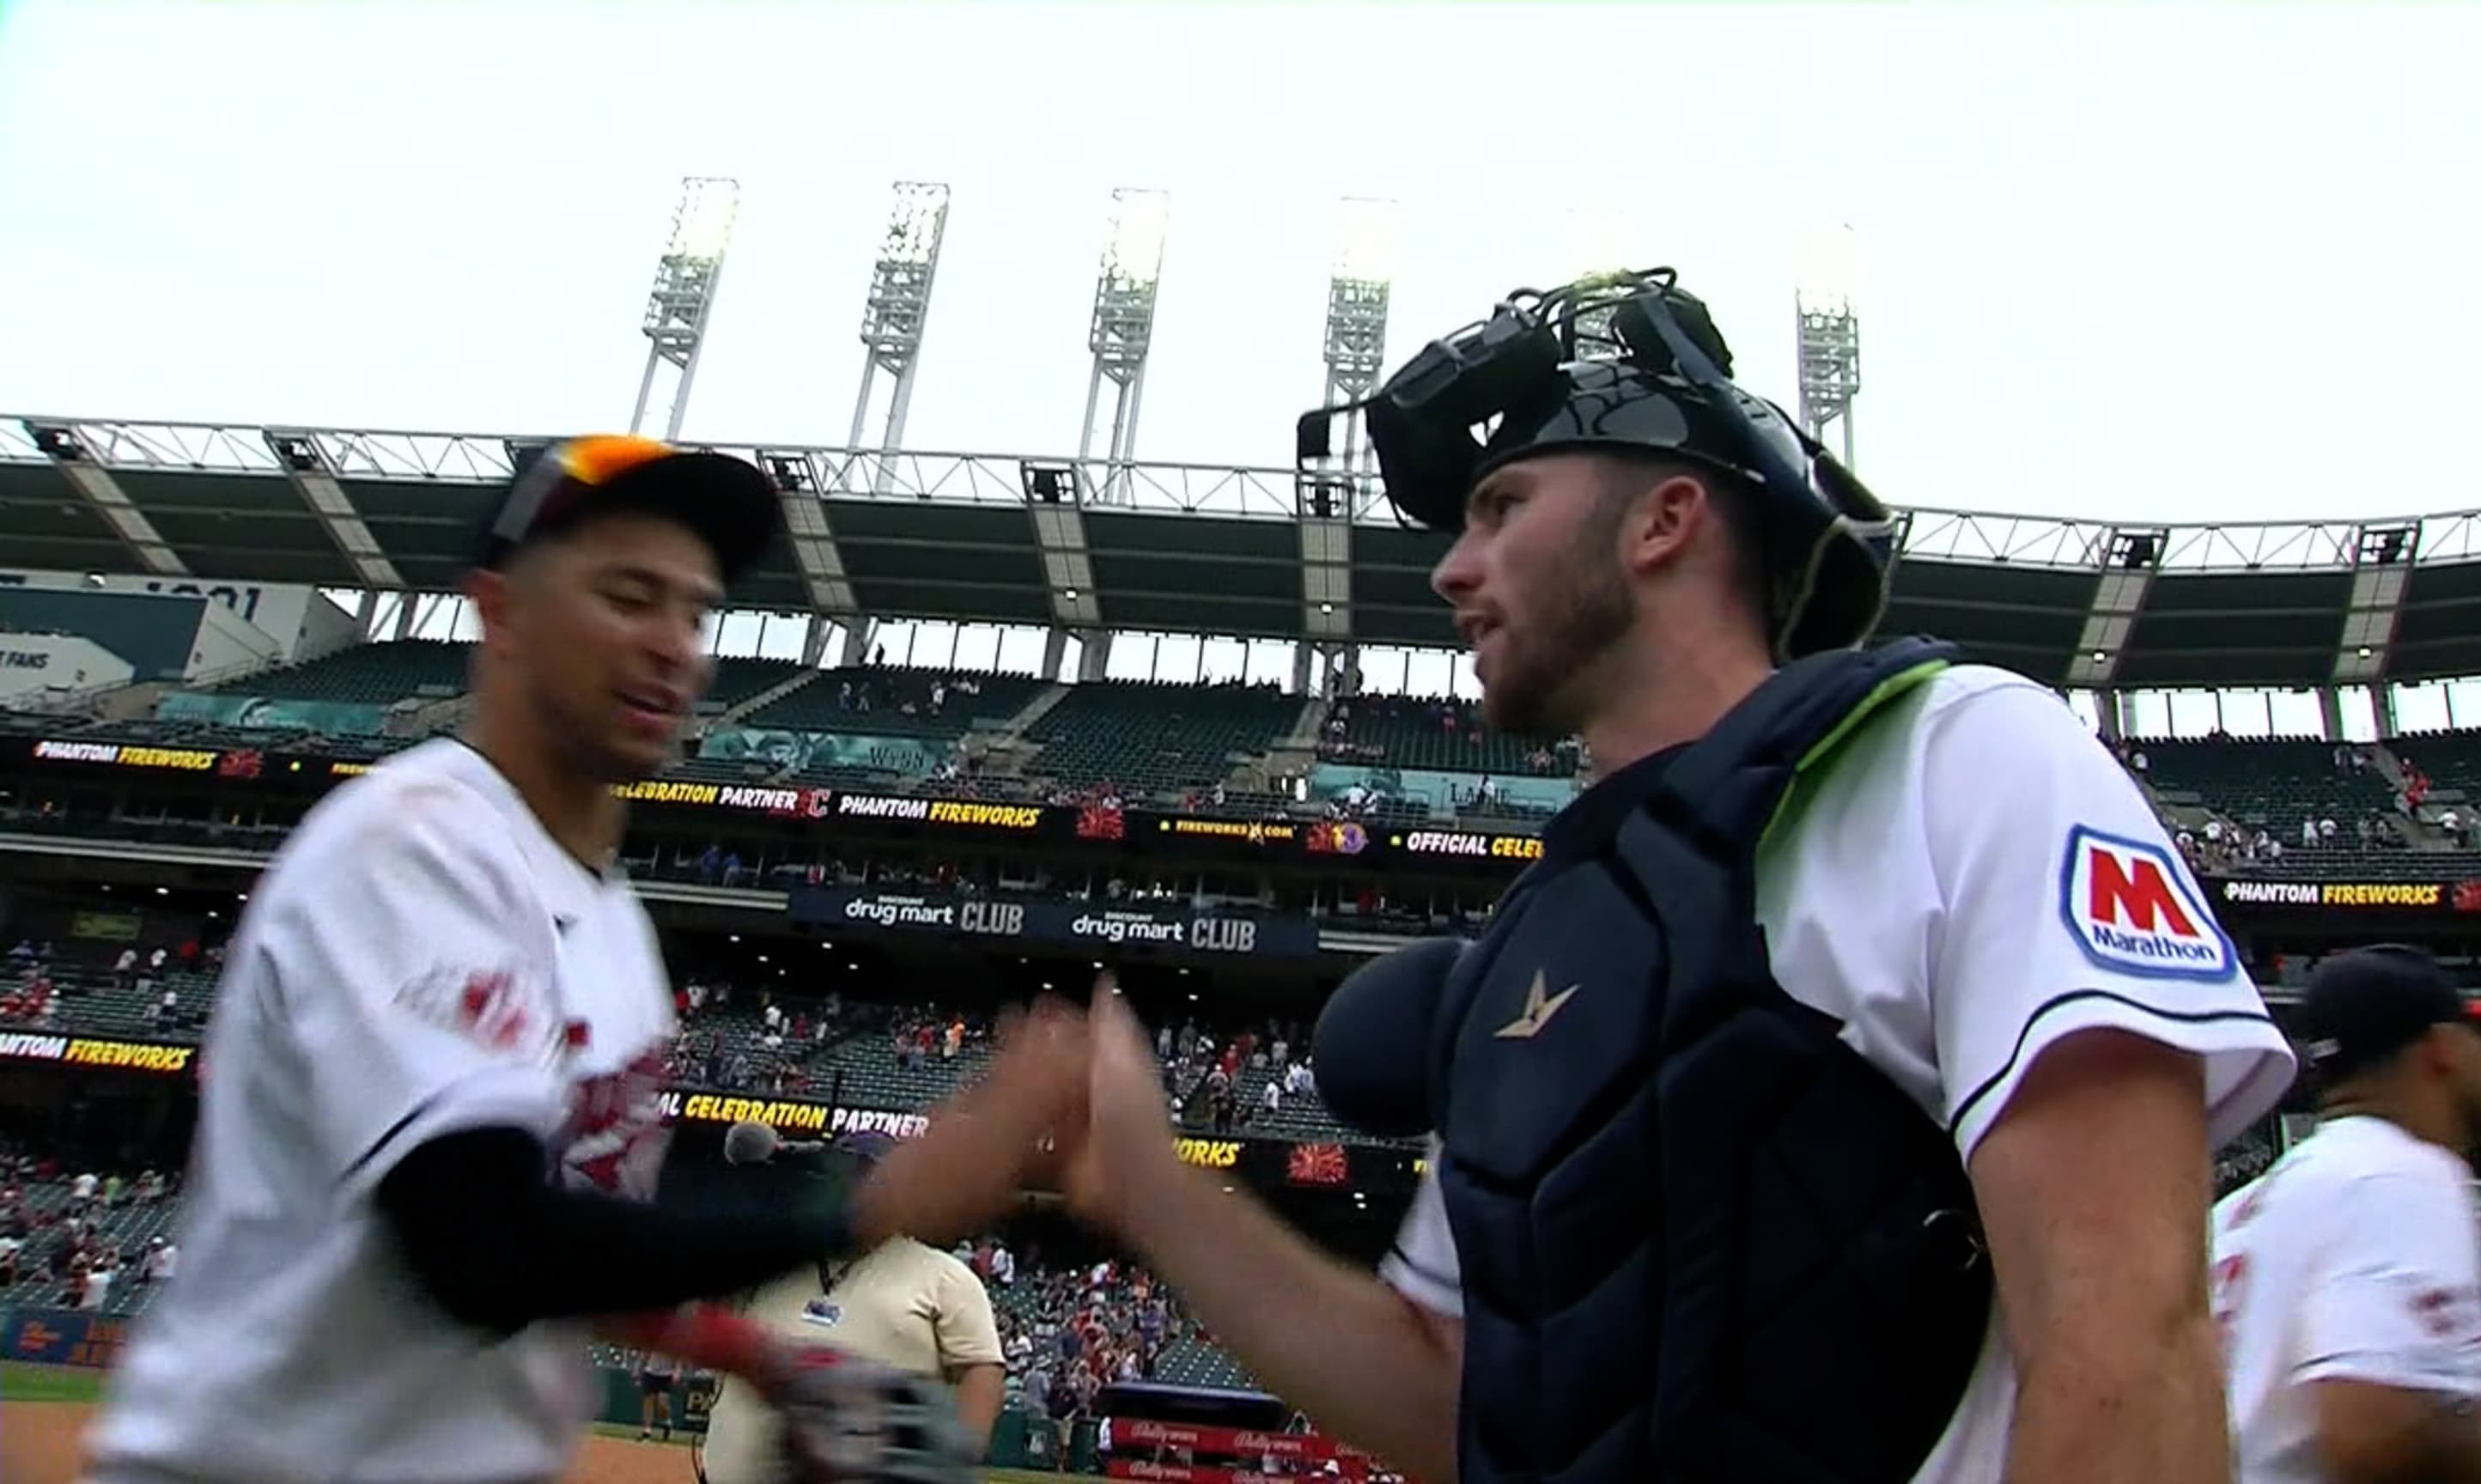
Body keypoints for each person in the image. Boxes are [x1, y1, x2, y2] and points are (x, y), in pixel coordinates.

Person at [1050, 271, 2296, 1484]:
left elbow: (2125, 1355)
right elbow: (1460, 1399)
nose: (1452, 570)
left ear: (1664, 520)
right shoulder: (1540, 943)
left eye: (1503, 506)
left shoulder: (1957, 757)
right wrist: (1154, 1191)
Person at [85, 435, 1081, 1484]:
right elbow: (482, 1249)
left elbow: (574, 1250)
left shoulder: (611, 925)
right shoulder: (417, 839)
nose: (674, 644)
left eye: (696, 612)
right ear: (500, 610)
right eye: (627, 595)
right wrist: (878, 1204)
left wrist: (760, 1356)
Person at [2212, 946, 2481, 1482]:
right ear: (2441, 1049)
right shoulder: (2398, 1173)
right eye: (2477, 1035)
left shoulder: (2247, 1205)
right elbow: (2374, 1430)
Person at [702, 1131, 1006, 1483]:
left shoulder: (944, 1276)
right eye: (846, 1175)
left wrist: (959, 1464)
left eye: (872, 1178)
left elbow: (982, 1369)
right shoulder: (771, 1258)